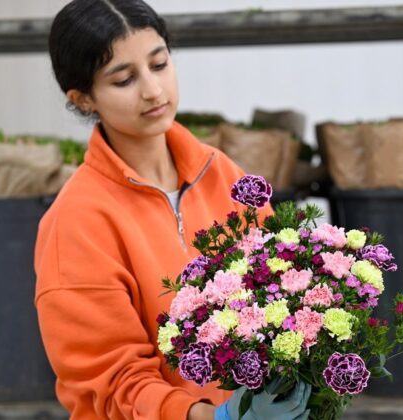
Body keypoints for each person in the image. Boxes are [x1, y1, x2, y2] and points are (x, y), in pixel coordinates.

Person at [35, 1, 310, 419]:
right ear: (84, 98)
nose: (153, 90)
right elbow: (113, 381)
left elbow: (282, 290)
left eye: (159, 64)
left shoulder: (223, 175)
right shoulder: (76, 222)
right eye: (124, 79)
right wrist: (214, 416)